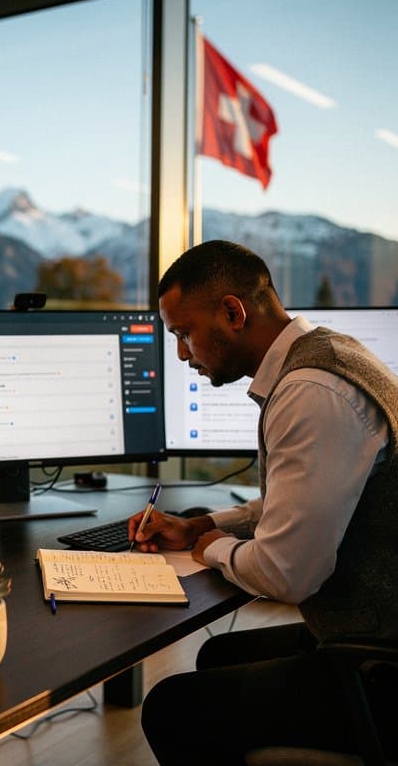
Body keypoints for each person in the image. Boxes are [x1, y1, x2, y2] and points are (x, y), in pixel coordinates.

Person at [130, 240, 398, 764]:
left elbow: (285, 572)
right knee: (217, 653)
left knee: (171, 708)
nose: (183, 355)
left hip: (382, 664)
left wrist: (211, 548)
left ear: (233, 312)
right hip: (373, 634)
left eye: (184, 334)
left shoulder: (312, 392)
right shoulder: (330, 354)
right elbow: (302, 501)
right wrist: (205, 523)